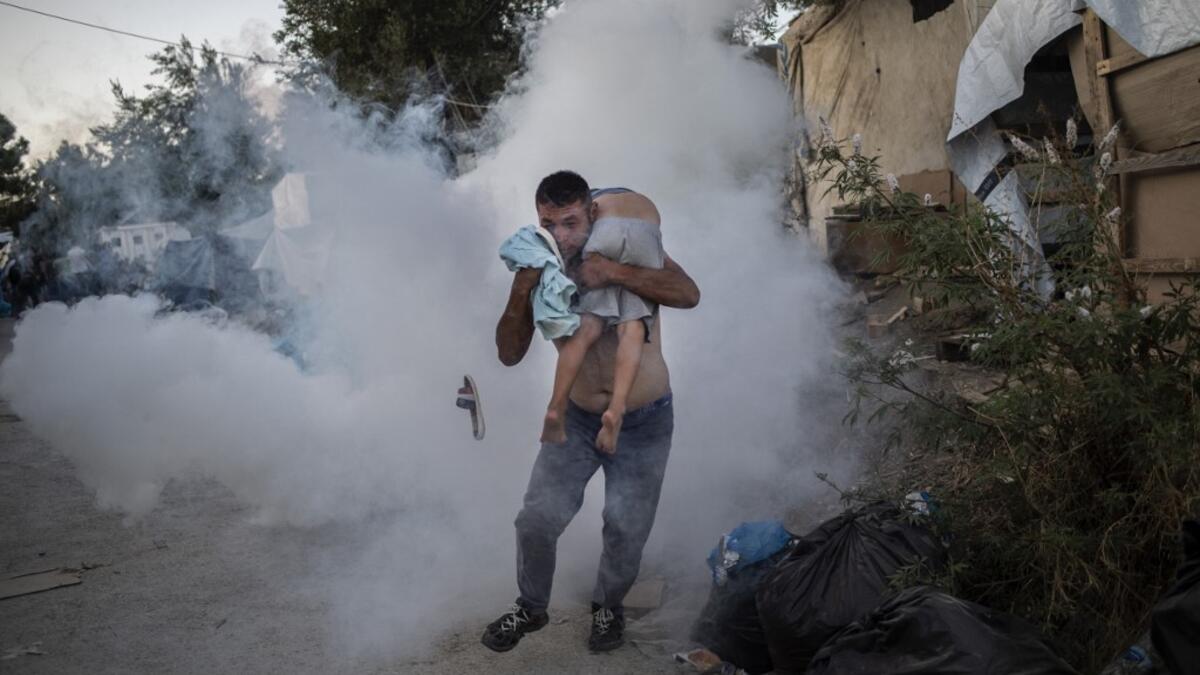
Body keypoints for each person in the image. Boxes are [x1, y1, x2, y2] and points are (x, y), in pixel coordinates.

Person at [482, 170, 700, 653]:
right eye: (548, 223)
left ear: (591, 213)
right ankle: (531, 608)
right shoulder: (540, 264)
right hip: (577, 422)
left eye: (570, 222)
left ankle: (608, 608)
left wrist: (614, 273)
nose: (561, 236)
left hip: (642, 420)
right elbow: (508, 354)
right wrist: (522, 289)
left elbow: (688, 293)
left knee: (625, 527)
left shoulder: (625, 247)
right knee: (536, 520)